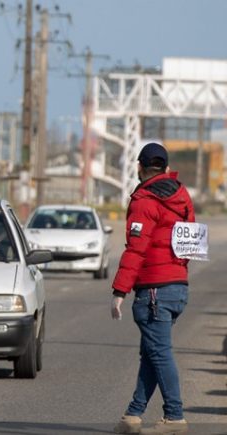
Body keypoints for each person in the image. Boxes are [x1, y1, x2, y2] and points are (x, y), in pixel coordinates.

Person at [111, 142, 195, 435]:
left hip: (154, 291)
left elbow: (136, 249)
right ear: (166, 167)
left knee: (159, 353)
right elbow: (190, 242)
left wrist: (119, 291)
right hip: (178, 287)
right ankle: (133, 414)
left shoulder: (143, 200)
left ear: (139, 167)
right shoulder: (182, 197)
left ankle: (174, 417)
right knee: (151, 351)